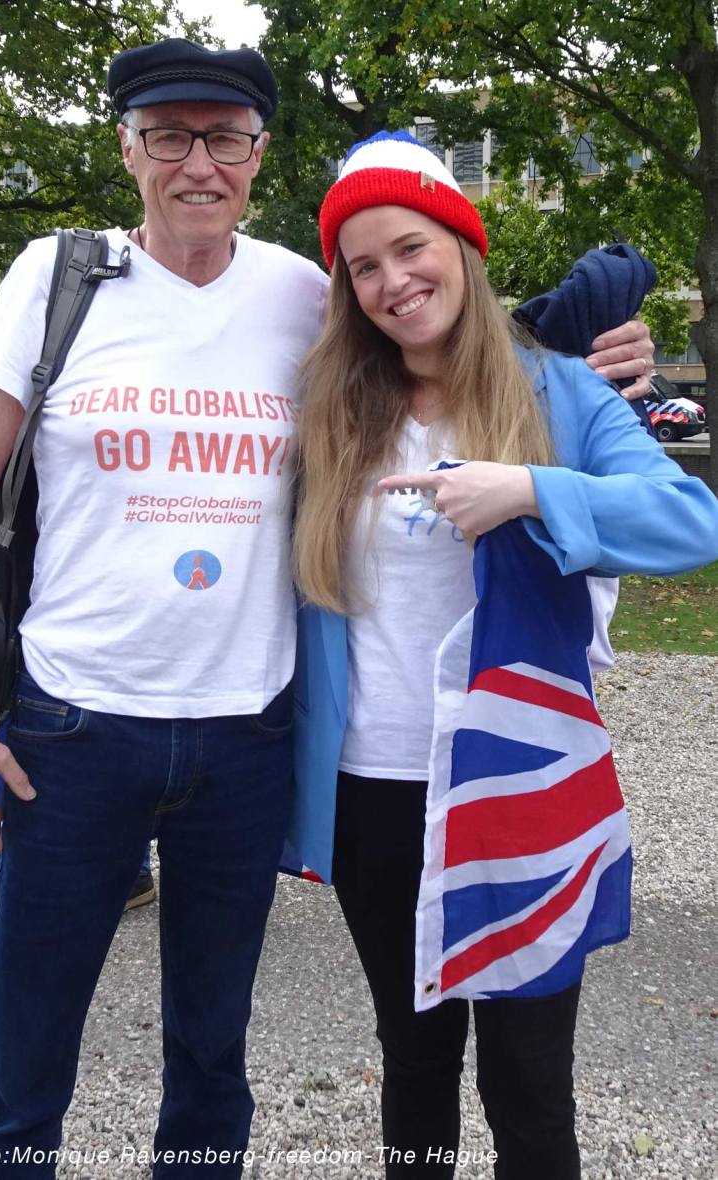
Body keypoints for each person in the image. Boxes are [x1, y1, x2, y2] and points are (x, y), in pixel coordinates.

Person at [0, 35, 655, 1176]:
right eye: (168, 136)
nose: (197, 163)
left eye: (225, 138)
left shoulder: (301, 294)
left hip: (246, 737)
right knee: (25, 1056)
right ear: (127, 148)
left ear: (258, 154)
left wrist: (573, 344)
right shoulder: (56, 280)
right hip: (73, 727)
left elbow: (430, 329)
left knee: (213, 1057)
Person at [289, 131, 718, 1179]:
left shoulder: (557, 389)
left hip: (521, 781)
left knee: (527, 1079)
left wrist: (526, 489)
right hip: (373, 786)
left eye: (411, 247)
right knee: (413, 1055)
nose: (393, 281)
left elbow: (689, 520)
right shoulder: (333, 404)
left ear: (462, 245)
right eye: (364, 266)